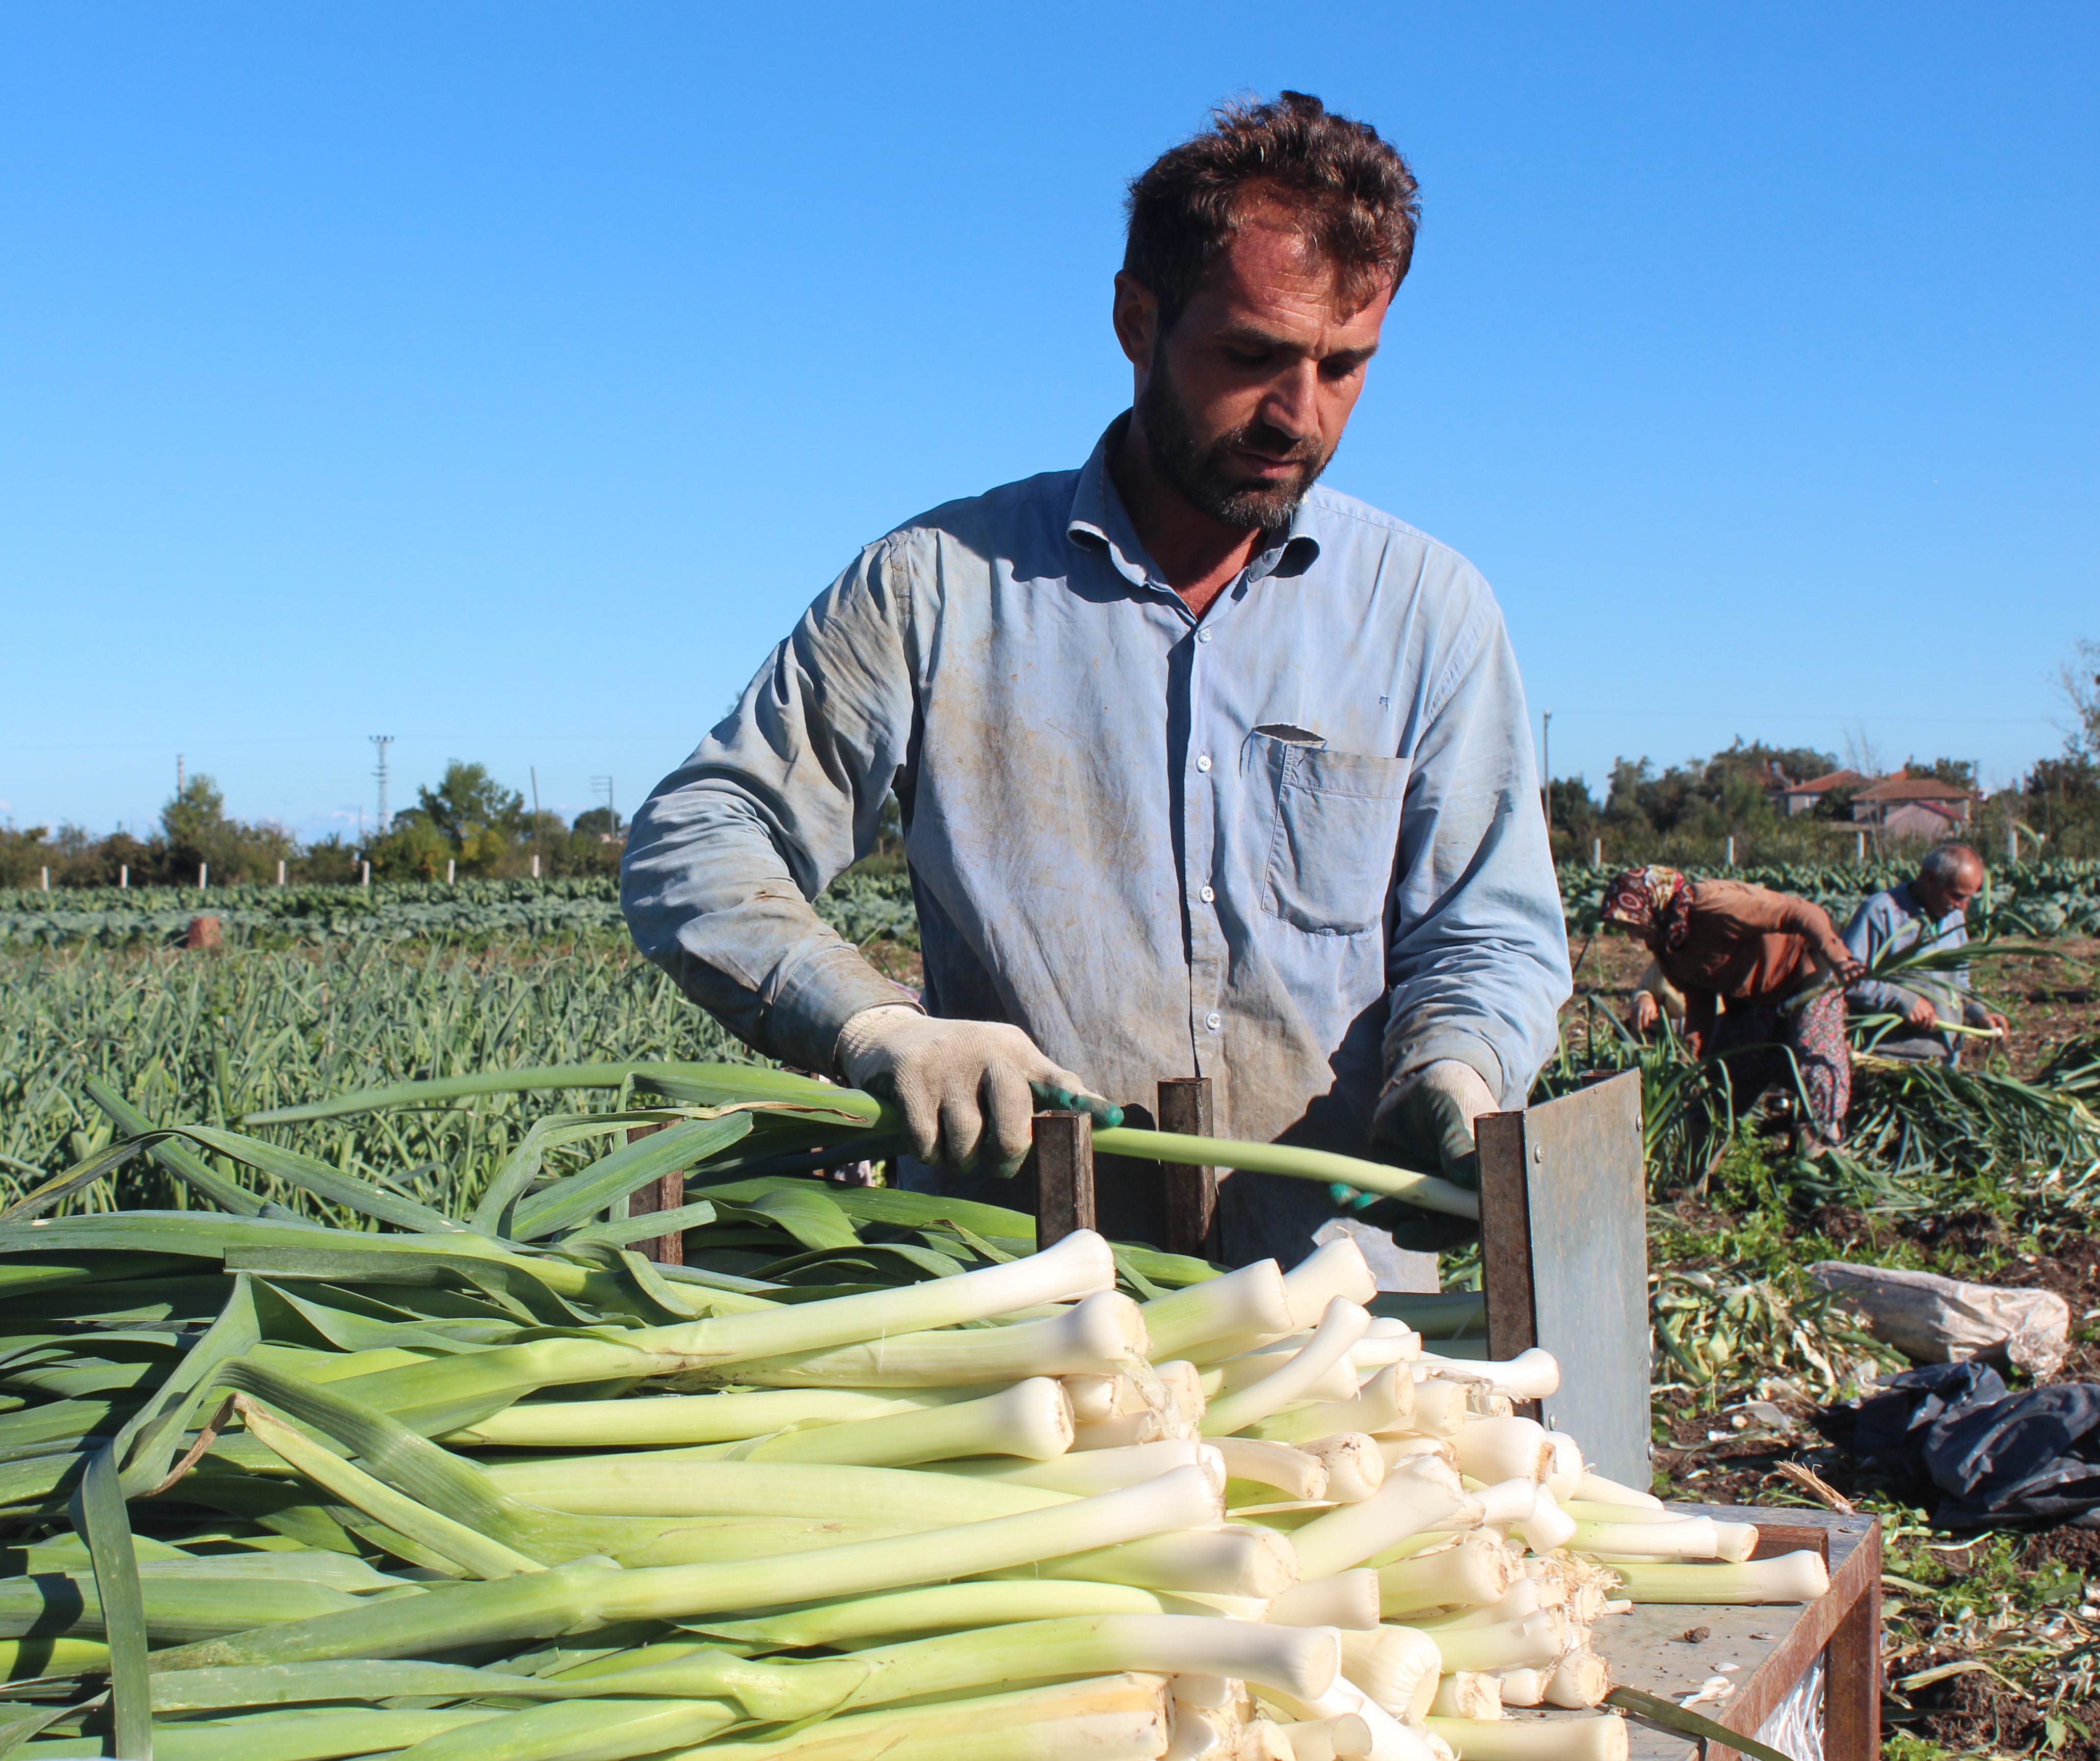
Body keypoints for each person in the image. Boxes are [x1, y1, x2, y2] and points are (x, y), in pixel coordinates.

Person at [620, 94, 1571, 1289]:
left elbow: (1488, 925)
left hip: (1338, 1322)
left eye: (1343, 367)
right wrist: (878, 1029)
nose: (1299, 415)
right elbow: (697, 837)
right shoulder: (939, 588)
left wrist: (1457, 1071)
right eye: (1251, 357)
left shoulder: (1425, 609)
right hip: (1024, 1313)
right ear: (1134, 318)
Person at [1604, 866, 1866, 1150]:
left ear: (1651, 905)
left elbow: (1800, 911)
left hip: (1806, 964)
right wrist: (1693, 1055)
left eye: (1631, 924)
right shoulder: (1670, 944)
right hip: (1760, 991)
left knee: (1812, 1046)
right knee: (1731, 1065)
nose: (1632, 937)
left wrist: (1838, 955)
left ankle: (1827, 1142)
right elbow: (1699, 996)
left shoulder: (1711, 906)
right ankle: (1700, 1163)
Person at [1841, 843, 2008, 1064]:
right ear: (1930, 879)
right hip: (1889, 1060)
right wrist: (1902, 999)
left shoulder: (1954, 918)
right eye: (1957, 896)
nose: (1963, 907)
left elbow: (1959, 984)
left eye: (1970, 897)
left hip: (1945, 1059)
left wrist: (1979, 1015)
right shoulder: (1881, 912)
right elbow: (1846, 977)